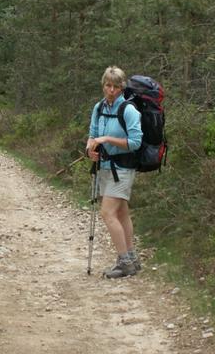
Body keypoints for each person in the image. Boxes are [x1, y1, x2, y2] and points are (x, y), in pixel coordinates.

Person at [86, 66, 143, 279]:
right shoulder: (99, 108)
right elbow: (92, 135)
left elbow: (136, 142)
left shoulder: (128, 110)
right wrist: (90, 149)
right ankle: (132, 259)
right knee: (121, 213)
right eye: (108, 85)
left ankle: (124, 262)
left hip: (124, 169)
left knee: (107, 213)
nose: (111, 90)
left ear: (122, 87)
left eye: (115, 86)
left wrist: (107, 140)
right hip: (105, 168)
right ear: (103, 85)